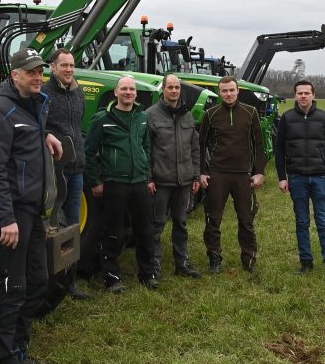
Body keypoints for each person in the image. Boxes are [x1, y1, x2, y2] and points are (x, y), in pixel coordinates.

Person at [0, 47, 62, 364]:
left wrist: (46, 136)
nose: (38, 77)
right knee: (11, 287)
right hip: (11, 214)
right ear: (15, 76)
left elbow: (25, 141)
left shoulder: (30, 107)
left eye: (41, 72)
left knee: (38, 282)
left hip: (32, 210)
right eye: (31, 72)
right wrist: (5, 218)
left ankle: (21, 350)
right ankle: (6, 363)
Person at [84, 75, 156, 292]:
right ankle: (112, 277)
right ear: (115, 93)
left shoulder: (142, 118)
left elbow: (146, 148)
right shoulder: (102, 119)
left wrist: (148, 176)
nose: (128, 92)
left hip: (140, 182)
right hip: (115, 184)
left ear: (135, 93)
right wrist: (96, 181)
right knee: (113, 231)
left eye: (131, 89)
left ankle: (148, 273)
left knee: (145, 230)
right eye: (124, 89)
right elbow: (89, 152)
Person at [275, 79, 325, 283]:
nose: (303, 96)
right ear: (295, 96)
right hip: (296, 177)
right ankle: (306, 262)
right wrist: (282, 177)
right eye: (299, 93)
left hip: (319, 177)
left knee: (323, 222)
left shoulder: (323, 117)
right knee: (302, 221)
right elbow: (279, 150)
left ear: (313, 95)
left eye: (307, 93)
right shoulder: (287, 118)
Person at [199, 76, 266, 274]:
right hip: (218, 174)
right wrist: (202, 171)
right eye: (224, 91)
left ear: (238, 91)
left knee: (246, 219)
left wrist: (259, 172)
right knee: (213, 219)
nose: (228, 94)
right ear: (219, 92)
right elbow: (200, 145)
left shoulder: (250, 112)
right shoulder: (210, 114)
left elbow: (259, 145)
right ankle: (214, 258)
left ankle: (249, 259)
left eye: (231, 90)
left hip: (243, 175)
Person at [42, 47, 92, 301]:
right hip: (55, 171)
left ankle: (70, 282)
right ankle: (52, 282)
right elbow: (38, 128)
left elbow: (78, 124)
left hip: (76, 169)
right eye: (64, 66)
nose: (69, 70)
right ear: (53, 67)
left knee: (73, 225)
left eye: (72, 65)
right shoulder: (44, 93)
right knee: (54, 225)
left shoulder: (78, 92)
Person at [145, 74, 202, 279]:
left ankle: (182, 264)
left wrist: (195, 176)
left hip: (184, 181)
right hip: (161, 182)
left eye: (177, 87)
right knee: (156, 226)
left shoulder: (187, 116)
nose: (174, 91)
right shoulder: (150, 115)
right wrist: (149, 178)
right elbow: (146, 150)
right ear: (163, 89)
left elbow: (194, 148)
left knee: (181, 223)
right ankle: (153, 268)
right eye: (170, 87)